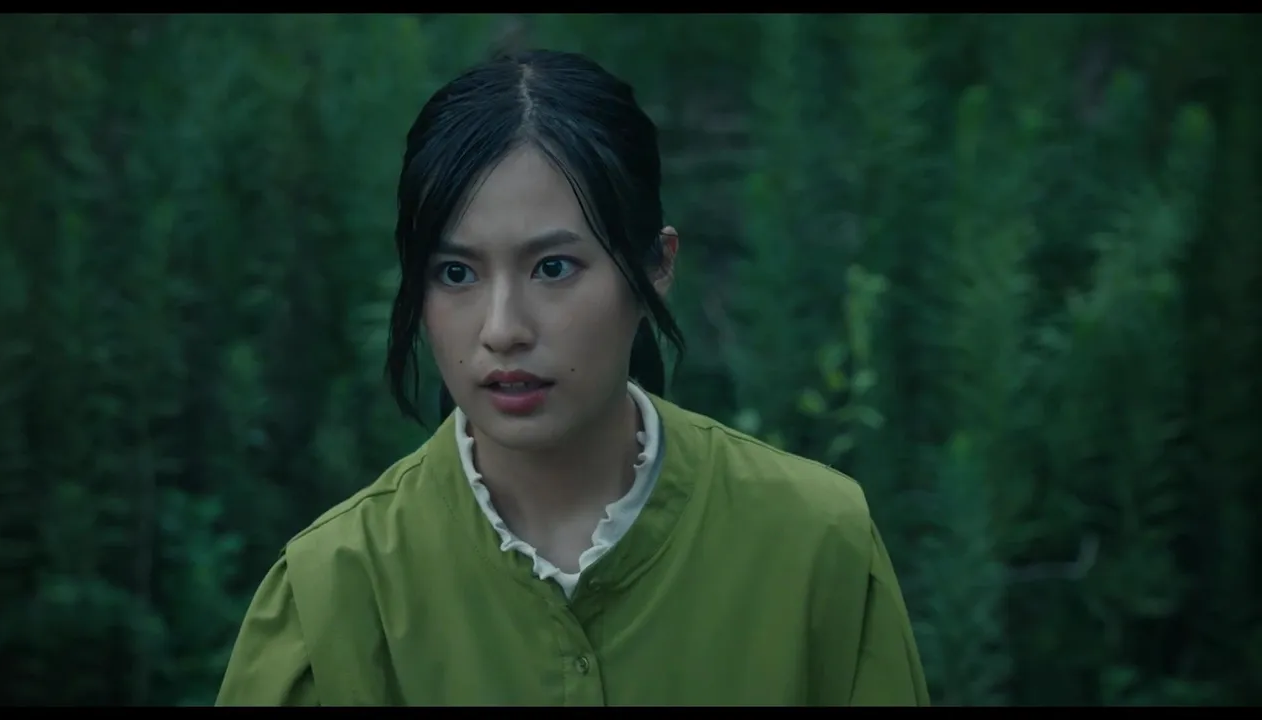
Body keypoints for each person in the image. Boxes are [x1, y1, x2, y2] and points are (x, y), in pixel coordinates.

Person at [215, 48, 929, 707]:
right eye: (456, 273)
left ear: (656, 266)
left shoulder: (815, 542)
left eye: (552, 267)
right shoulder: (334, 590)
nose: (502, 328)